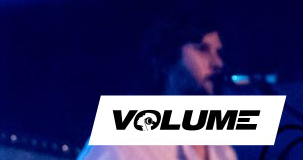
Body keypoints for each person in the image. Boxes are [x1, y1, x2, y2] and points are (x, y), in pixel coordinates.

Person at [78, 22, 232, 160]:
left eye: (218, 52)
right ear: (168, 57)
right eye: (202, 49)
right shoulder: (124, 139)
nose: (218, 63)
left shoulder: (222, 149)